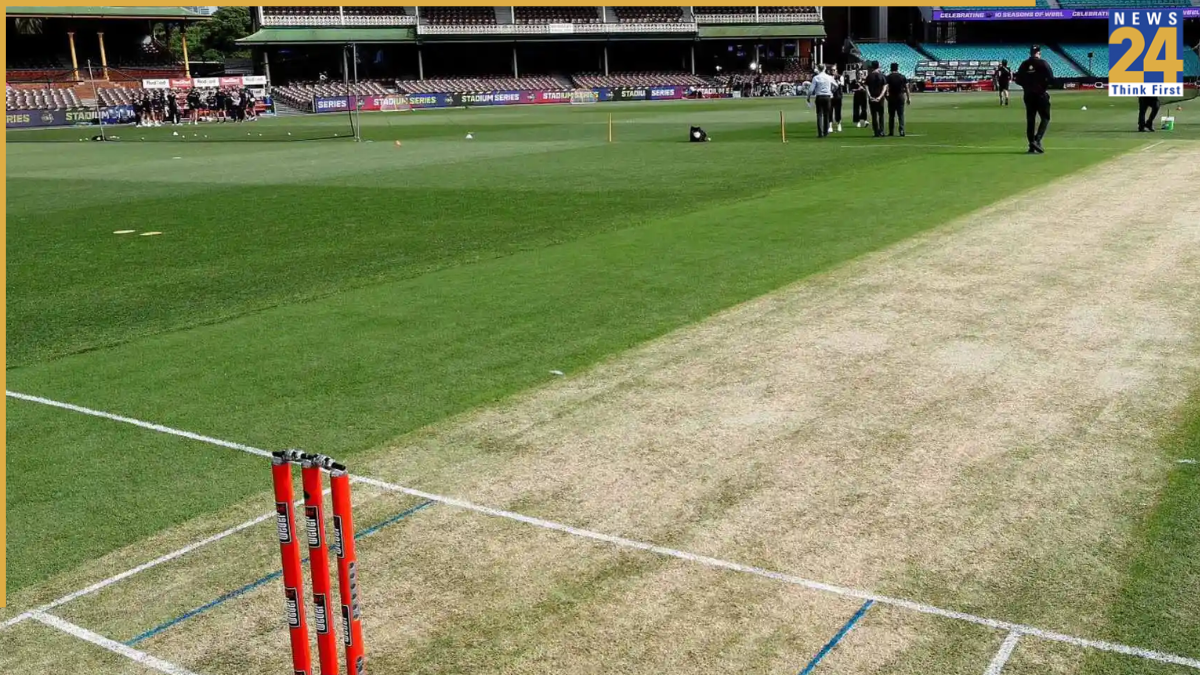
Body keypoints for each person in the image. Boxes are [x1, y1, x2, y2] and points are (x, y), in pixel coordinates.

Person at [1015, 45, 1054, 154]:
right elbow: (1051, 78)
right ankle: (1037, 140)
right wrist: (1043, 87)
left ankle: (1031, 145)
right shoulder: (1043, 63)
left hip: (1028, 95)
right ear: (1039, 53)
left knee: (1030, 119)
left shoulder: (1024, 64)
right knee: (1045, 117)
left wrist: (1027, 86)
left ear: (1030, 53)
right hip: (1040, 95)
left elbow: (1018, 80)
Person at [807, 64, 837, 138]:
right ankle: (826, 132)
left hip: (819, 96)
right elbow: (836, 85)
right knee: (826, 114)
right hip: (827, 96)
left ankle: (820, 133)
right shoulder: (829, 77)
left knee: (819, 115)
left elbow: (811, 89)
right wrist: (832, 91)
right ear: (825, 69)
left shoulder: (816, 78)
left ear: (818, 69)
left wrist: (808, 97)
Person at [883, 62, 911, 137]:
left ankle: (891, 131)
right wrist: (908, 98)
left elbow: (885, 88)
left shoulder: (888, 77)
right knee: (900, 115)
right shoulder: (902, 76)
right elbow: (907, 88)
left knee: (891, 115)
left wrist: (886, 97)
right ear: (897, 68)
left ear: (891, 68)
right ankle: (901, 130)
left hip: (892, 97)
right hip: (900, 96)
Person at [865, 61, 887, 137]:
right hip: (880, 98)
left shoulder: (869, 76)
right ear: (878, 66)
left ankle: (876, 132)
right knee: (881, 115)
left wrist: (870, 96)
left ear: (872, 66)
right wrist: (880, 97)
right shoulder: (882, 76)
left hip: (872, 97)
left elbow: (866, 87)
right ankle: (882, 131)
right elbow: (884, 87)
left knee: (874, 115)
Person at [829, 65, 844, 133]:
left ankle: (839, 124)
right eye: (832, 70)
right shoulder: (828, 77)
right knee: (830, 111)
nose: (832, 71)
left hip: (838, 96)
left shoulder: (840, 76)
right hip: (830, 96)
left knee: (838, 111)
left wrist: (838, 82)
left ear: (836, 70)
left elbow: (842, 84)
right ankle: (830, 126)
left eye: (834, 70)